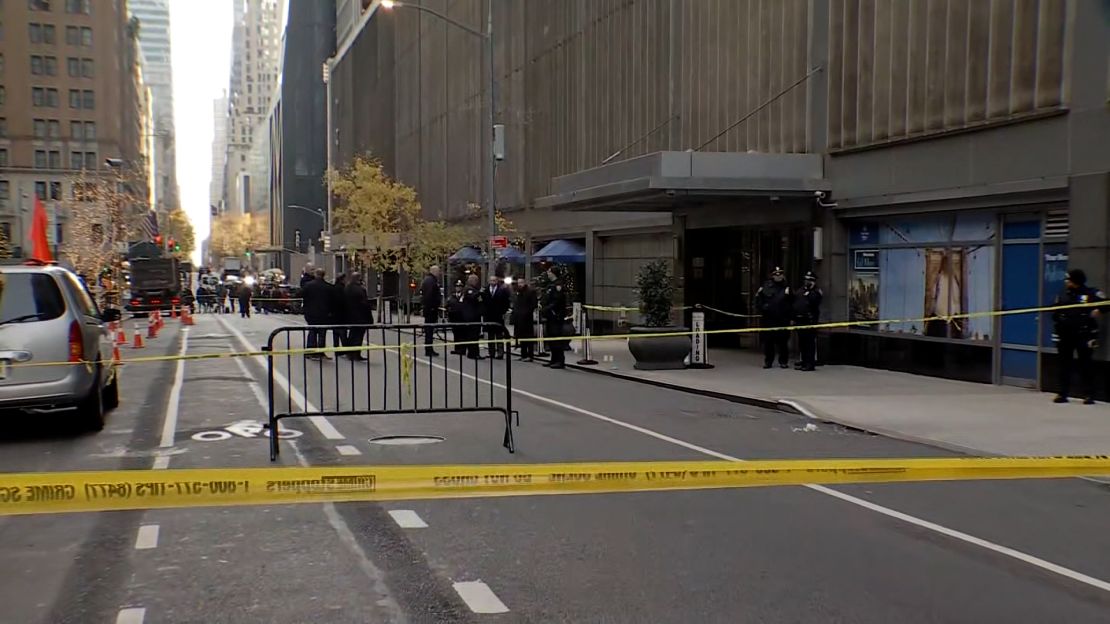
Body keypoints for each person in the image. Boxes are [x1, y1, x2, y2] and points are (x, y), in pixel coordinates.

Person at [1051, 268, 1104, 404]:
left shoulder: (1091, 293)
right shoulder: (1063, 295)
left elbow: (1106, 303)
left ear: (1075, 281)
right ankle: (1062, 393)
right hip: (1065, 336)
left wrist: (1098, 310)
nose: (1066, 282)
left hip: (1084, 335)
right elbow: (1054, 312)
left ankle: (1089, 394)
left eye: (1068, 279)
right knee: (1064, 365)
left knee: (1085, 364)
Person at [755, 266, 792, 369]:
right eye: (776, 274)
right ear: (772, 276)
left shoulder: (787, 287)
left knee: (783, 342)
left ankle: (783, 361)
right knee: (768, 342)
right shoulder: (765, 286)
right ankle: (768, 361)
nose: (779, 276)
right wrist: (763, 307)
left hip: (783, 319)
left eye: (780, 274)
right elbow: (758, 300)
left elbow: (792, 303)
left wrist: (790, 316)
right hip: (769, 319)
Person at [792, 271, 823, 372]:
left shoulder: (816, 291)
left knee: (809, 343)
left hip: (810, 321)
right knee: (802, 343)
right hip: (800, 320)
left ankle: (810, 363)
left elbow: (814, 302)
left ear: (814, 281)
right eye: (806, 280)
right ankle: (804, 361)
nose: (807, 282)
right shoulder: (801, 290)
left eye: (810, 280)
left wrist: (809, 291)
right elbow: (796, 302)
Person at [300, 268, 332, 360]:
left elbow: (299, 294)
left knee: (312, 331)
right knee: (322, 333)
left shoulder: (308, 285)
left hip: (311, 313)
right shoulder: (328, 287)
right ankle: (320, 352)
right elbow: (332, 300)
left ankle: (310, 351)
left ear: (316, 275)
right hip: (324, 313)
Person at [541, 269, 568, 369]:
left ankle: (560, 361)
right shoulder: (550, 284)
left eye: (549, 272)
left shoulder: (558, 285)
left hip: (556, 316)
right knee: (551, 339)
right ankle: (553, 359)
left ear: (553, 273)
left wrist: (547, 309)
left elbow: (557, 301)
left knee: (556, 338)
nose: (547, 274)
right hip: (550, 316)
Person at [344, 271, 372, 361]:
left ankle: (349, 353)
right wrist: (369, 318)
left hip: (350, 315)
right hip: (360, 317)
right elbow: (365, 304)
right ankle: (356, 354)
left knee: (352, 334)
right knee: (358, 336)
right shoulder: (360, 290)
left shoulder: (347, 288)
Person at [484, 275, 511, 359]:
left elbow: (506, 302)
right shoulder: (486, 290)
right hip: (489, 316)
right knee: (490, 335)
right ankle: (491, 352)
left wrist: (503, 312)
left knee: (499, 335)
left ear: (497, 281)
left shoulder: (502, 290)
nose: (492, 282)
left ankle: (500, 352)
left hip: (498, 315)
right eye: (491, 281)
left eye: (494, 280)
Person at [460, 274, 486, 359]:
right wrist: (480, 292)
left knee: (475, 335)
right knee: (473, 335)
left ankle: (474, 352)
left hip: (475, 315)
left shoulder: (474, 289)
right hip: (471, 316)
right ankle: (473, 353)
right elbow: (473, 297)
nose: (476, 282)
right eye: (475, 280)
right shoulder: (468, 289)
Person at [512, 277, 538, 361]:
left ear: (525, 283)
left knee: (528, 337)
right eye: (518, 283)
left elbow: (533, 304)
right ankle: (523, 354)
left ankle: (530, 355)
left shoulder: (530, 292)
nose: (520, 284)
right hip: (519, 318)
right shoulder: (518, 292)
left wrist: (526, 312)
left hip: (527, 318)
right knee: (521, 336)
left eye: (521, 282)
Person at [420, 265, 442, 356]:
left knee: (429, 330)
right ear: (434, 271)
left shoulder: (428, 280)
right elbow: (429, 296)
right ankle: (429, 349)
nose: (439, 273)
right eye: (438, 271)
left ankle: (429, 348)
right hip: (431, 309)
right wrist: (432, 307)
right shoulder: (431, 281)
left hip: (429, 309)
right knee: (429, 330)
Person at [446, 280, 466, 355]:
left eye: (460, 286)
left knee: (462, 334)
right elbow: (447, 305)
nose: (458, 288)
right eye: (457, 286)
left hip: (462, 318)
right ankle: (457, 348)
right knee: (456, 334)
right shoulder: (452, 296)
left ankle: (462, 349)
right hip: (454, 318)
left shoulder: (464, 296)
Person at [331, 272, 348, 352]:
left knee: (335, 333)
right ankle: (345, 348)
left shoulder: (333, 288)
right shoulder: (343, 289)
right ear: (342, 279)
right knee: (343, 332)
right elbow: (344, 301)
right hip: (341, 314)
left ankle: (336, 349)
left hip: (334, 314)